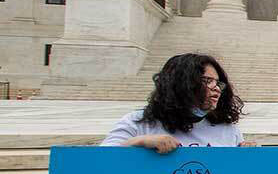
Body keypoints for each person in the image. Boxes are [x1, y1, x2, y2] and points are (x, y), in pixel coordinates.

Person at [102, 53, 244, 151]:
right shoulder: (137, 122)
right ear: (181, 84)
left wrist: (247, 153)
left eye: (218, 82)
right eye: (207, 81)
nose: (216, 88)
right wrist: (141, 142)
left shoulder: (228, 129)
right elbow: (100, 160)